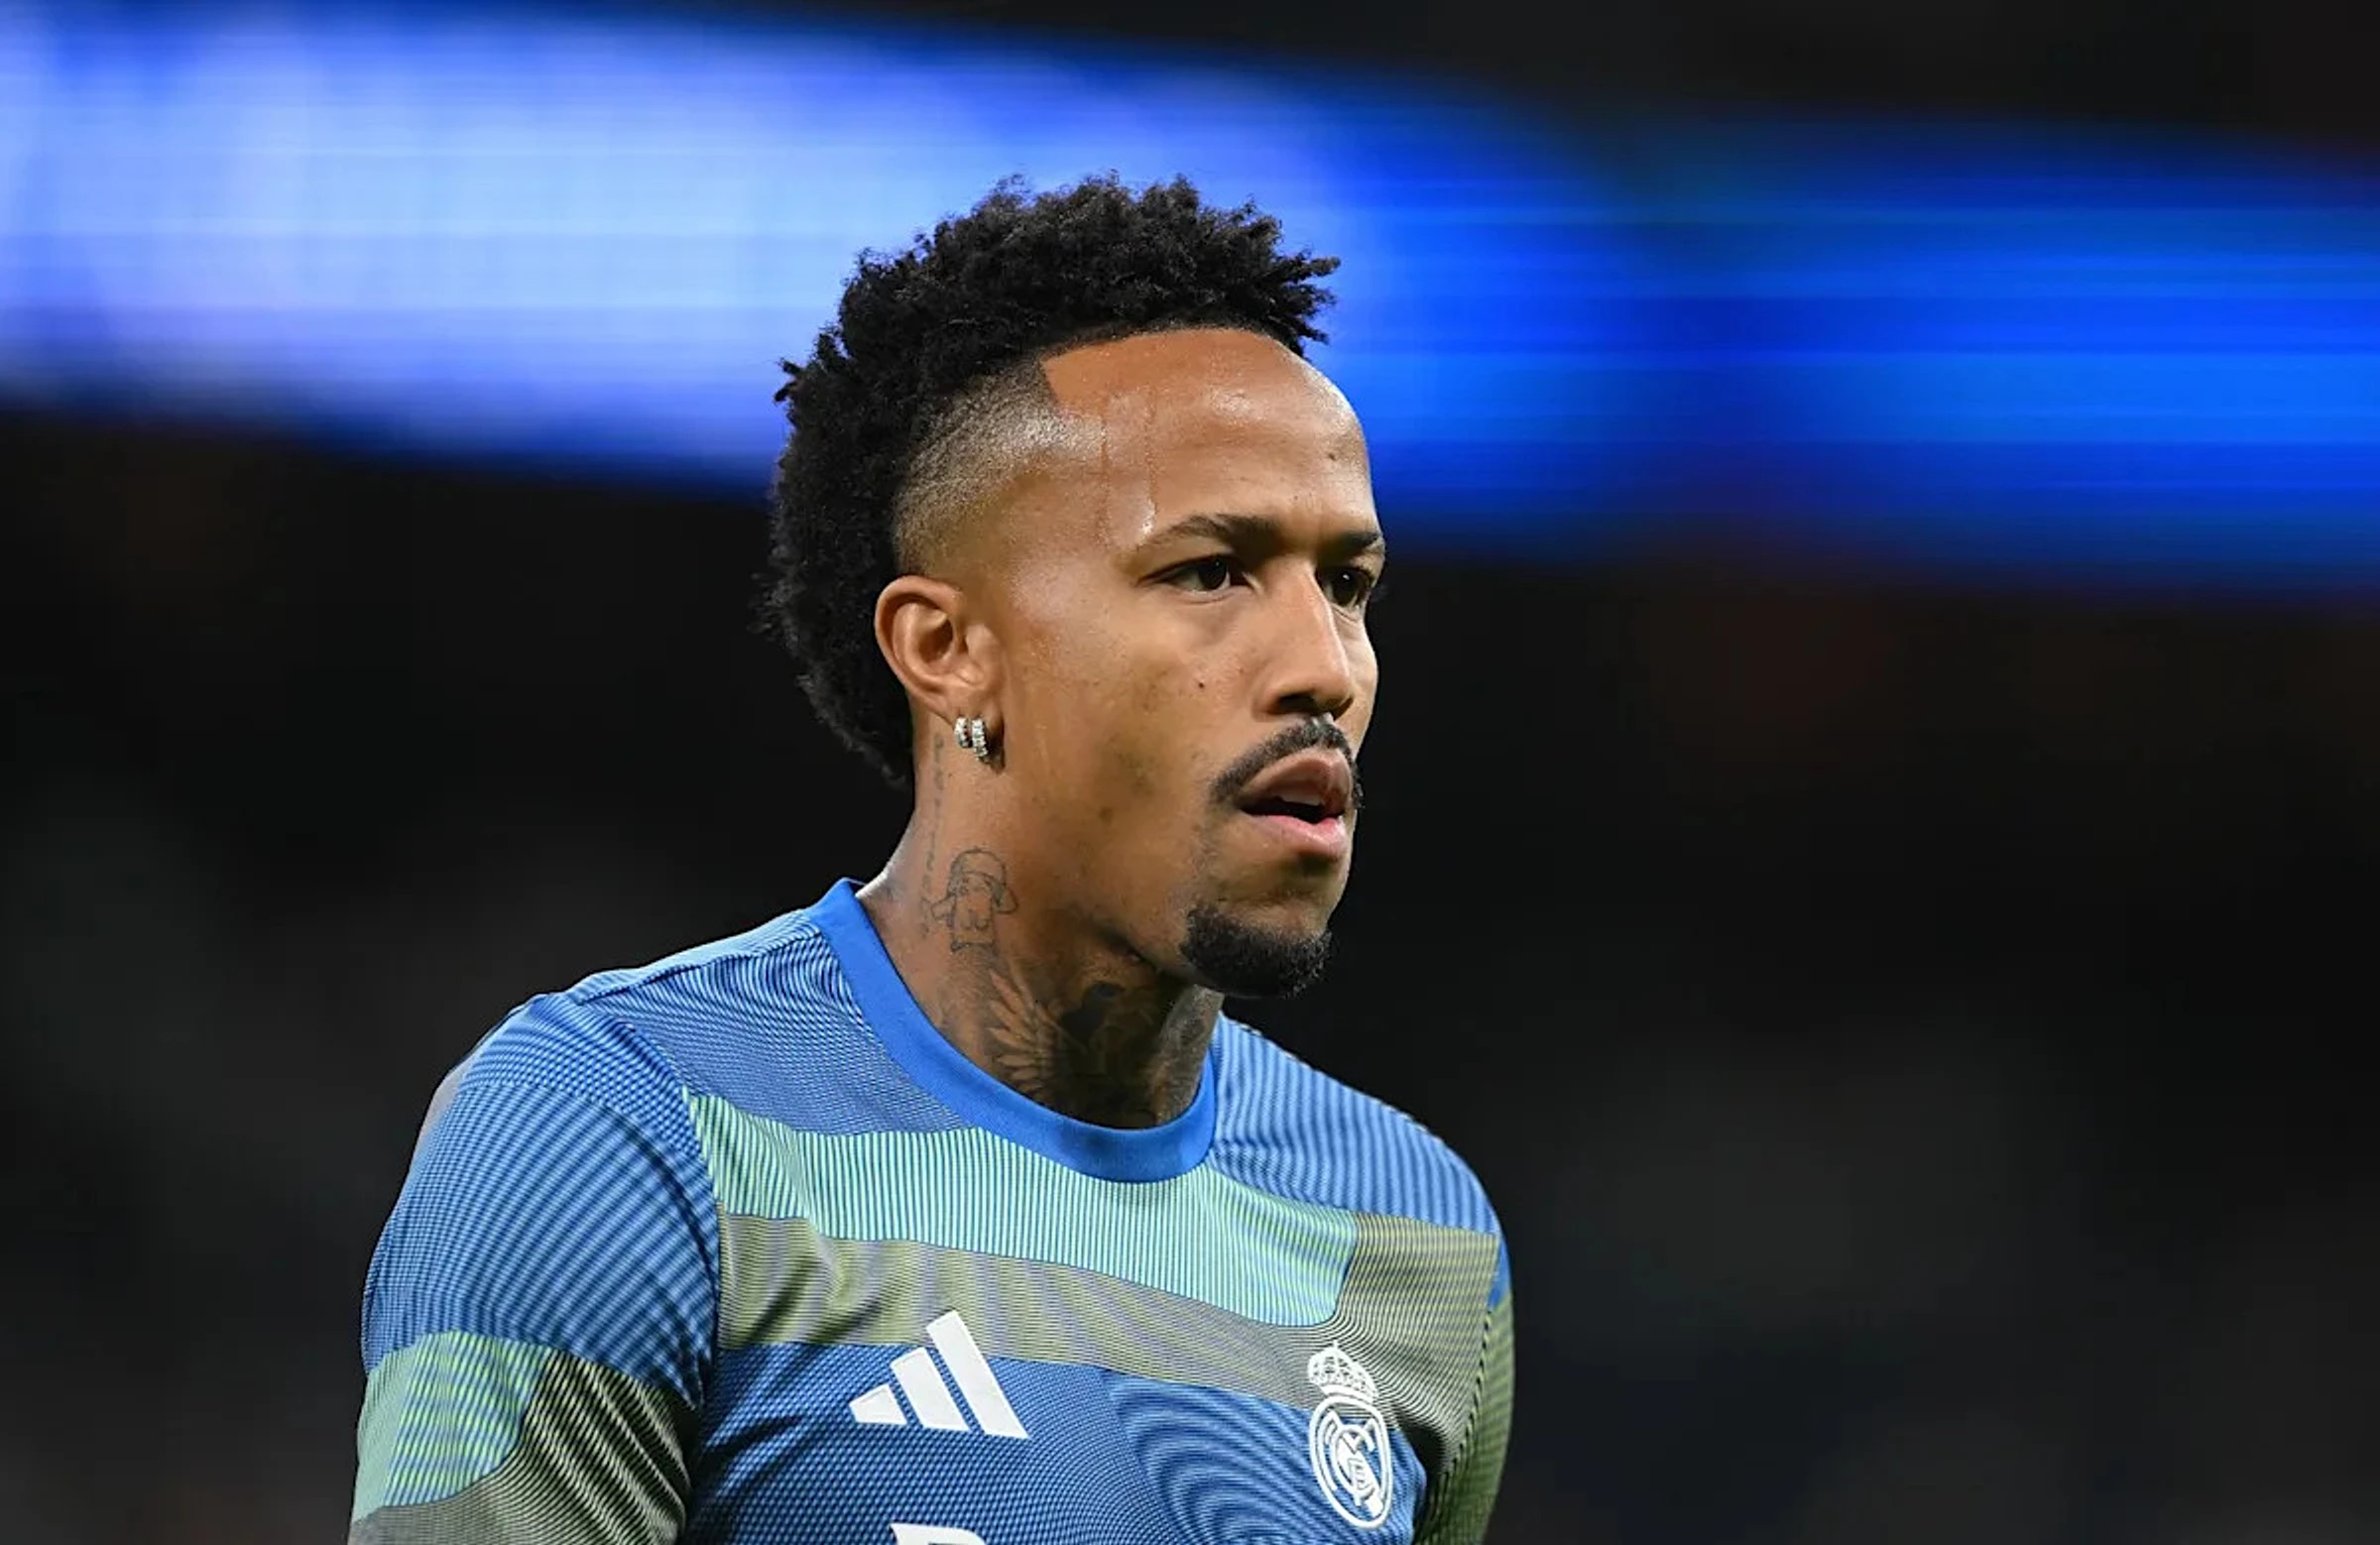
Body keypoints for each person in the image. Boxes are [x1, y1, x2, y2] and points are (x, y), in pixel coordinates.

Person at [349, 175, 1512, 1545]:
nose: (1325, 665)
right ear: (948, 649)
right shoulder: (619, 1132)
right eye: (1209, 572)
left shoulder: (1420, 1238)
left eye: (1348, 585)